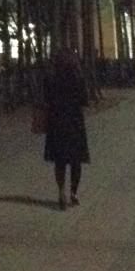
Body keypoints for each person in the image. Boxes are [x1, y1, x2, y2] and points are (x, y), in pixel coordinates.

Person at [43, 46, 89, 210]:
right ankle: (74, 193)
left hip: (57, 121)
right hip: (74, 121)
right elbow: (85, 100)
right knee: (75, 161)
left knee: (60, 160)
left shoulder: (52, 77)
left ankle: (61, 190)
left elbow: (46, 98)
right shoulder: (78, 77)